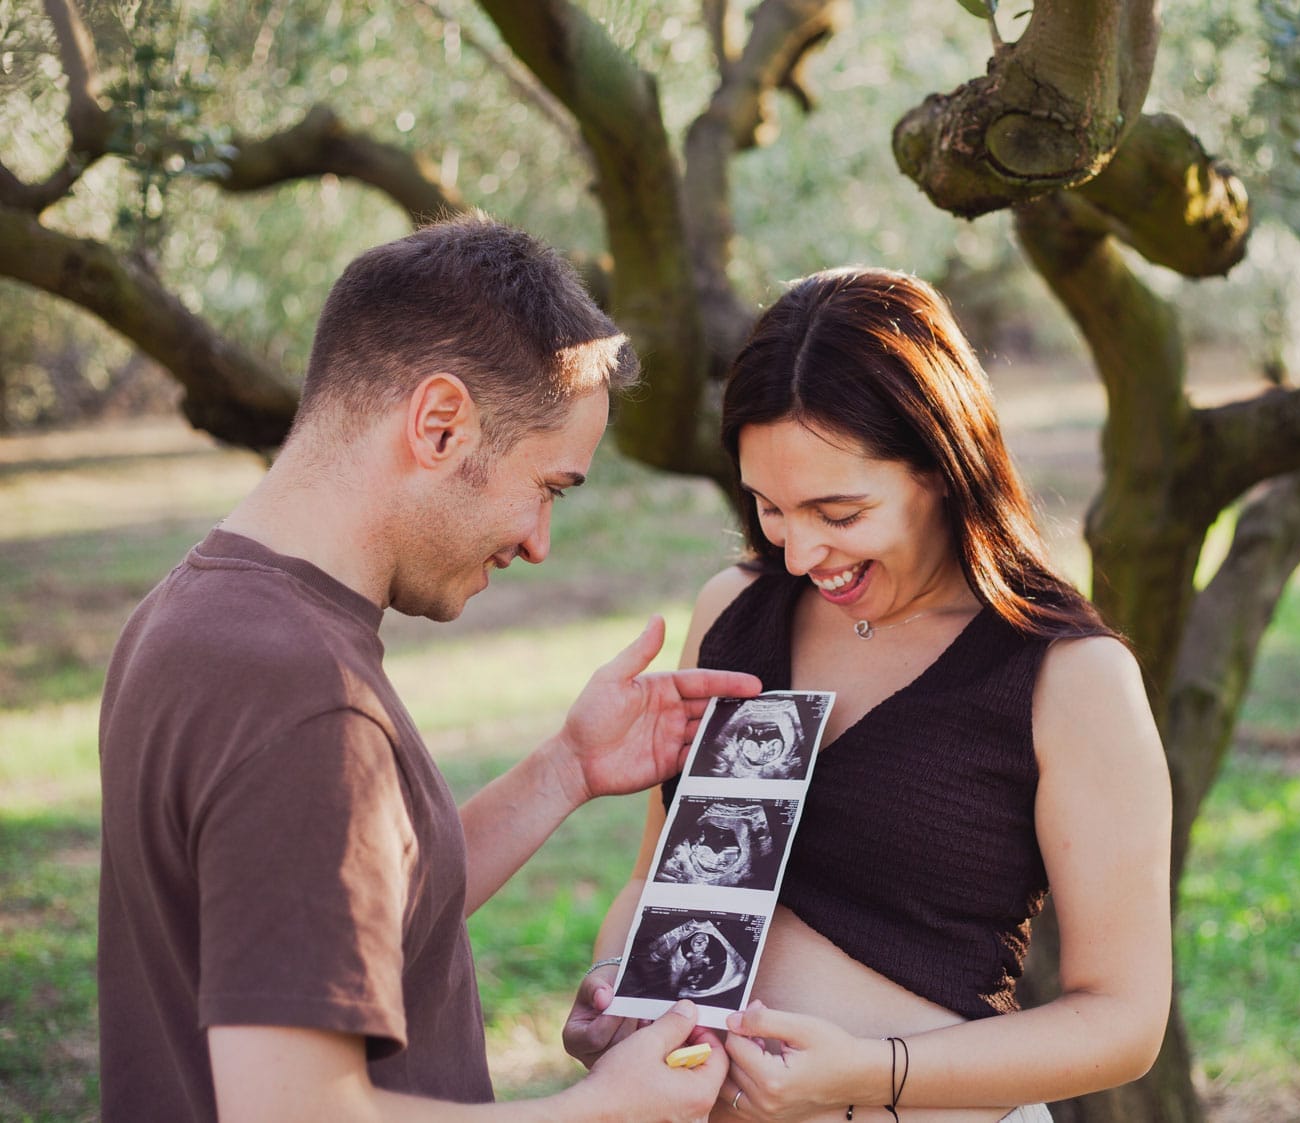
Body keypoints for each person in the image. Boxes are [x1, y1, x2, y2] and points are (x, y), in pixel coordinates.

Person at [96, 215, 753, 1122]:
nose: (539, 541)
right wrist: (605, 1109)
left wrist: (564, 768)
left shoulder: (195, 613)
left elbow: (353, 915)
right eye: (548, 487)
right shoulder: (302, 698)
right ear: (440, 424)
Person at [565, 268, 1173, 1121]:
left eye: (839, 513)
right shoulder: (733, 612)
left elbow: (1123, 1019)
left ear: (941, 465)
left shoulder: (1070, 678)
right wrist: (611, 991)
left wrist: (868, 1073)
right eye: (770, 508)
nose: (802, 553)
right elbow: (652, 883)